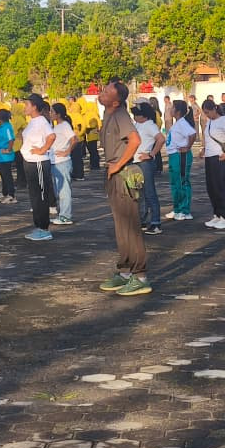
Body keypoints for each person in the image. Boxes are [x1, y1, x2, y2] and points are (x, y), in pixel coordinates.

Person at [98, 80, 150, 295]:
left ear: (116, 100)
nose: (102, 93)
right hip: (113, 173)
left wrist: (119, 164)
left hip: (123, 173)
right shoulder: (108, 115)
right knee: (121, 227)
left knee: (130, 226)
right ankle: (126, 270)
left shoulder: (120, 115)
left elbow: (135, 140)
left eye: (107, 91)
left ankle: (140, 276)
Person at [20, 94, 56, 242]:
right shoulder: (32, 122)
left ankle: (44, 228)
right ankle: (38, 227)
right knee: (34, 196)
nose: (25, 107)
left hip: (39, 162)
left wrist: (42, 149)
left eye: (27, 104)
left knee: (41, 197)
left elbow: (51, 136)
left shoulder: (41, 121)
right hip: (30, 162)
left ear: (34, 106)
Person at [201, 99, 225, 230]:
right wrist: (204, 149)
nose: (206, 115)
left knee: (220, 187)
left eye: (207, 112)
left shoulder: (223, 120)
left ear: (213, 109)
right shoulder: (210, 121)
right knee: (211, 187)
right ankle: (217, 214)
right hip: (209, 157)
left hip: (219, 157)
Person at [133, 102, 165, 235]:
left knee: (150, 193)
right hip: (136, 161)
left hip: (145, 163)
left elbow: (161, 139)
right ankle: (143, 220)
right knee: (140, 194)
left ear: (143, 115)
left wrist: (151, 154)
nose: (134, 116)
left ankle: (156, 222)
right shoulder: (138, 124)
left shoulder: (149, 125)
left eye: (137, 114)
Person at [167, 99, 196, 221]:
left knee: (182, 182)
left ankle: (185, 210)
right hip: (174, 155)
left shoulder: (182, 123)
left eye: (172, 107)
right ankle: (177, 208)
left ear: (178, 111)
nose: (170, 109)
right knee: (175, 183)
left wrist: (188, 147)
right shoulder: (178, 123)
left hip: (180, 156)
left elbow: (192, 134)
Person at [49, 103, 77, 225]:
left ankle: (66, 216)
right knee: (58, 190)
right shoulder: (56, 126)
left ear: (58, 114)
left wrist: (67, 151)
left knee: (64, 190)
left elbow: (74, 139)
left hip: (62, 162)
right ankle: (62, 214)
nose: (50, 114)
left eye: (52, 112)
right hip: (55, 161)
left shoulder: (64, 125)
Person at [0, 108, 18, 204]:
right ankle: (5, 193)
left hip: (5, 157)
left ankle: (11, 195)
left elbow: (11, 139)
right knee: (3, 176)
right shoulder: (0, 126)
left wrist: (8, 150)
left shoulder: (7, 127)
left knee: (7, 176)